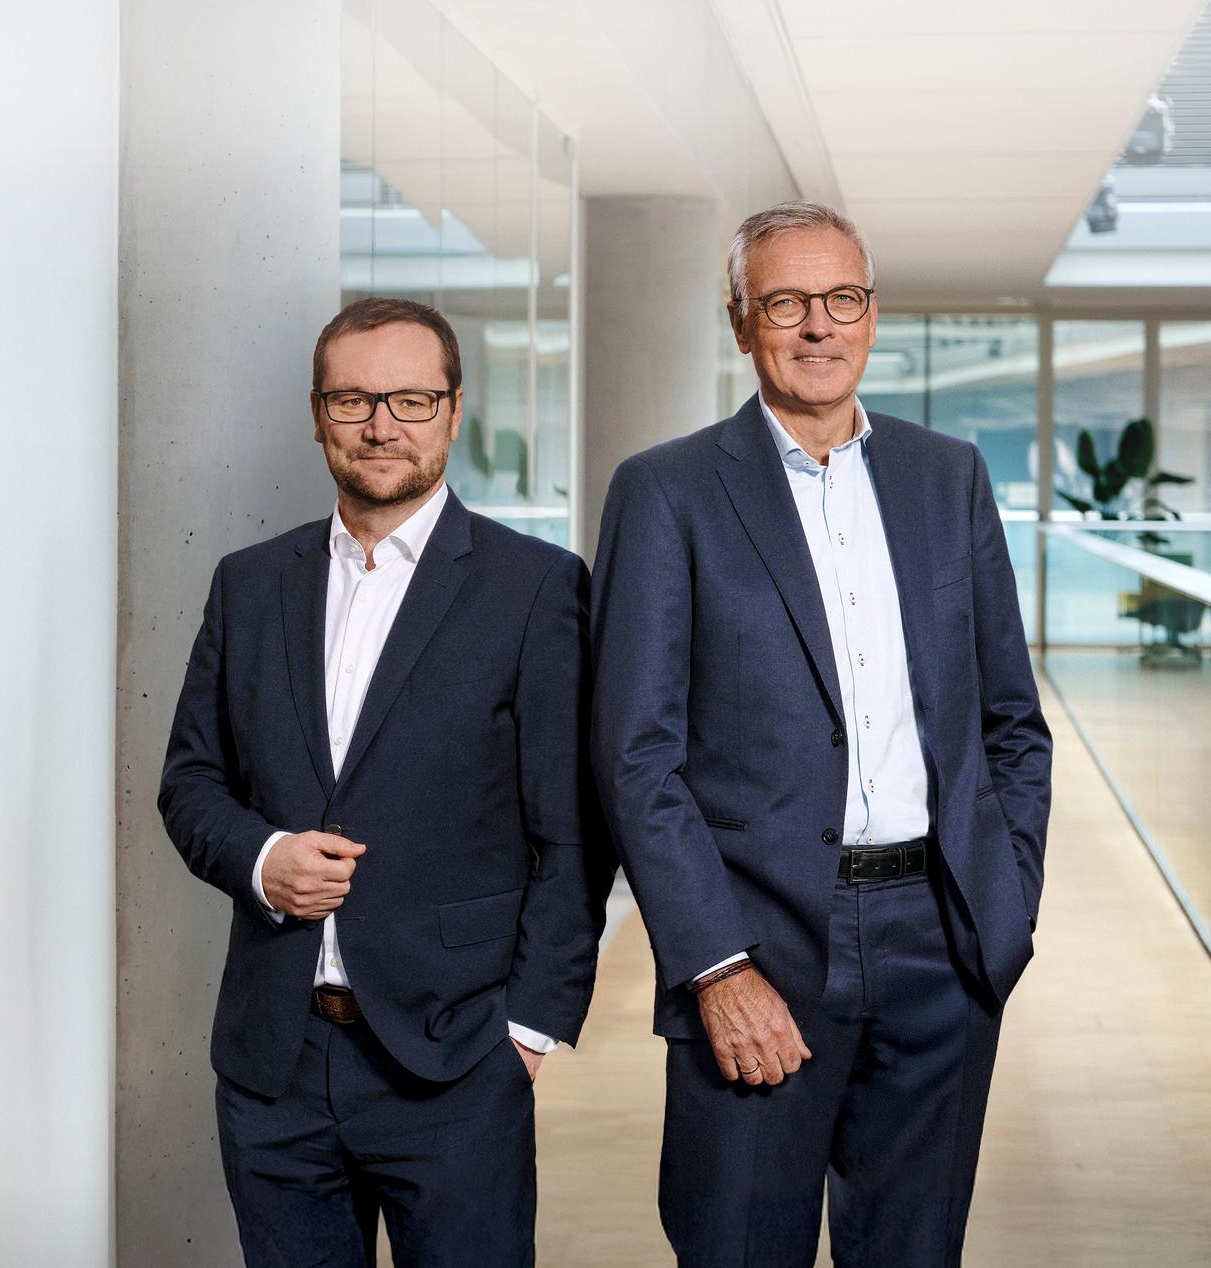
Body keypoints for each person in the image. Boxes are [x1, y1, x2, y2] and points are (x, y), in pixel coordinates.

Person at [590, 201, 1052, 1267]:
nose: (818, 326)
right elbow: (635, 757)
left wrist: (1005, 897)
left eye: (842, 298)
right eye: (786, 302)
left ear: (872, 315)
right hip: (758, 946)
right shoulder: (666, 491)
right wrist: (714, 965)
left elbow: (1009, 719)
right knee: (739, 1244)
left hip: (940, 937)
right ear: (740, 321)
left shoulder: (948, 476)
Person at [159, 296, 604, 1267]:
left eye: (410, 399)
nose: (380, 425)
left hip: (456, 1061)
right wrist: (264, 859)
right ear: (318, 415)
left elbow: (574, 829)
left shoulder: (535, 587)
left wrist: (529, 1030)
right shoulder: (249, 583)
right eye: (352, 400)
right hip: (274, 1068)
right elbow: (190, 780)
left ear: (453, 410)